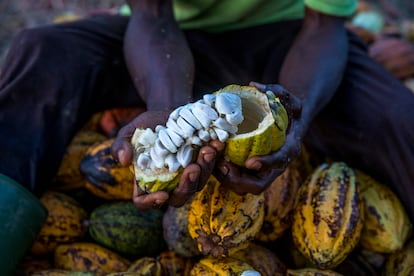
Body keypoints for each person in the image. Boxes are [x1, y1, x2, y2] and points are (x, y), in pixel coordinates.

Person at [0, 1, 414, 272]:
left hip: (288, 43)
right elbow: (152, 14)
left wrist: (298, 115)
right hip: (171, 42)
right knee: (42, 51)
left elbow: (324, 26)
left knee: (400, 120)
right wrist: (169, 111)